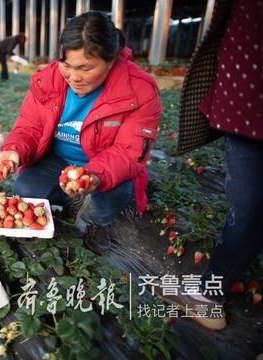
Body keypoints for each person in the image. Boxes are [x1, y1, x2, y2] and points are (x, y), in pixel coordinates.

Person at [0, 11, 161, 254]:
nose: (74, 77)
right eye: (66, 65)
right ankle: (69, 199)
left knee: (114, 195)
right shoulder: (49, 78)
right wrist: (14, 151)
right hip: (58, 159)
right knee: (26, 189)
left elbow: (128, 153)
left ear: (111, 60)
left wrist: (93, 176)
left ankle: (96, 222)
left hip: (103, 163)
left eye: (85, 68)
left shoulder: (138, 90)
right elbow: (30, 125)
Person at [157, 0, 262, 331]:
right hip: (246, 89)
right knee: (250, 203)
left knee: (248, 204)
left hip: (249, 95)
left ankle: (207, 297)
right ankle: (208, 294)